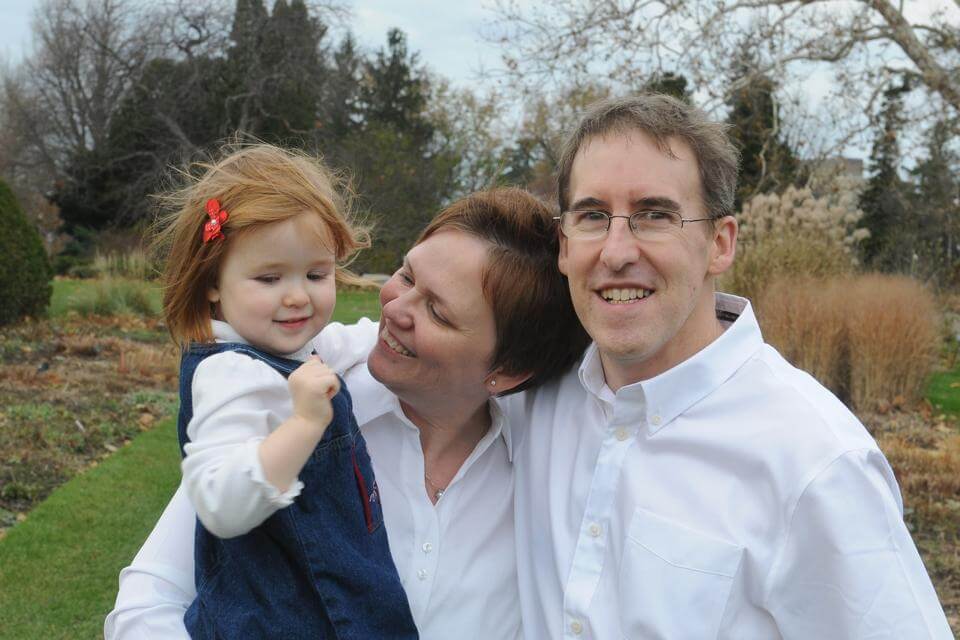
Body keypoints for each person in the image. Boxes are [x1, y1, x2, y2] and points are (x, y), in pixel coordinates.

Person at [499, 94, 953, 639]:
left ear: (719, 243)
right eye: (593, 216)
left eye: (654, 215)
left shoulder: (816, 463)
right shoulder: (527, 397)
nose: (616, 252)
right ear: (564, 244)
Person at [104, 186, 590, 639]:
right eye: (406, 275)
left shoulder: (541, 467)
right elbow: (149, 600)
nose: (396, 307)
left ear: (506, 372)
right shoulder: (289, 403)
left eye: (438, 312)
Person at [151, 143, 418, 638]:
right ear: (212, 282)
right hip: (275, 620)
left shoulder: (294, 347)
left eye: (316, 274)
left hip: (334, 604)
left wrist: (416, 324)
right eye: (269, 277)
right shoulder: (230, 374)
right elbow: (220, 504)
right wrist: (304, 424)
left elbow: (355, 339)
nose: (297, 295)